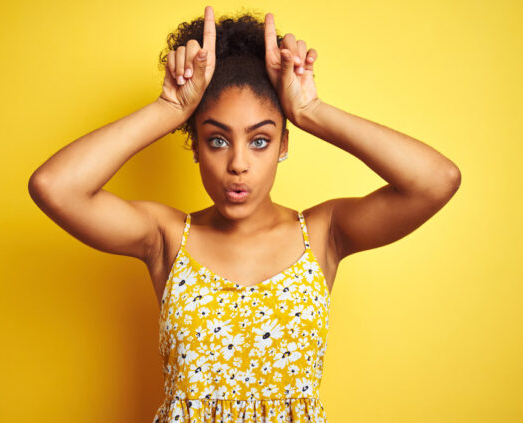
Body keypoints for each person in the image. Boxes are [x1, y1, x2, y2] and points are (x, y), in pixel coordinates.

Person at [28, 5, 460, 422]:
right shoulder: (166, 237)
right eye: (217, 140)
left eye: (259, 140)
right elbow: (55, 187)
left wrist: (311, 111)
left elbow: (436, 180)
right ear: (194, 145)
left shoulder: (324, 234)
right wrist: (169, 108)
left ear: (284, 145)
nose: (238, 164)